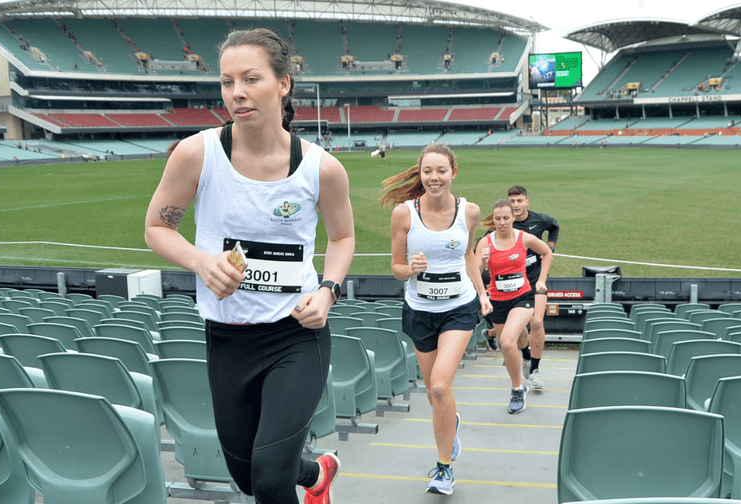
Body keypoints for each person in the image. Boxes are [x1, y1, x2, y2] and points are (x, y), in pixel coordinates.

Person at [144, 28, 354, 504]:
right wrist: (201, 261)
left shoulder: (321, 168)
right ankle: (316, 475)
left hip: (296, 334)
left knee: (269, 475)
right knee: (248, 477)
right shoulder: (196, 154)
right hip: (227, 337)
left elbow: (342, 237)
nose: (236, 92)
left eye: (250, 78)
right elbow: (156, 228)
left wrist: (328, 291)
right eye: (226, 81)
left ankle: (294, 476)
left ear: (283, 84)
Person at [383, 143, 489, 495]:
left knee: (441, 386)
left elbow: (469, 253)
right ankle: (450, 422)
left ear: (453, 173)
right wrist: (408, 269)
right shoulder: (404, 214)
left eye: (441, 171)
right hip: (420, 310)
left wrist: (482, 292)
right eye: (427, 171)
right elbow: (397, 267)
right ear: (420, 173)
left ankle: (444, 468)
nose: (434, 178)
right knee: (434, 394)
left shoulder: (469, 212)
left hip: (459, 308)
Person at [476, 199, 552, 414]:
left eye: (506, 218)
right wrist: (482, 262)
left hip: (523, 297)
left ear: (513, 218)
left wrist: (542, 280)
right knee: (509, 345)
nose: (502, 222)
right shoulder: (485, 242)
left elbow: (546, 252)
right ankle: (522, 370)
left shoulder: (524, 238)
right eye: (497, 218)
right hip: (498, 300)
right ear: (493, 219)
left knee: (507, 342)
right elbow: (474, 271)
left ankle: (517, 389)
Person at [506, 185, 559, 390]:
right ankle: (526, 355)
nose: (516, 205)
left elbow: (554, 226)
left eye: (520, 201)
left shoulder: (540, 220)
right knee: (518, 327)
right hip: (514, 282)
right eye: (512, 201)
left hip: (537, 279)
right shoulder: (502, 223)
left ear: (527, 201)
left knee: (536, 321)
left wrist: (551, 247)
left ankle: (534, 370)